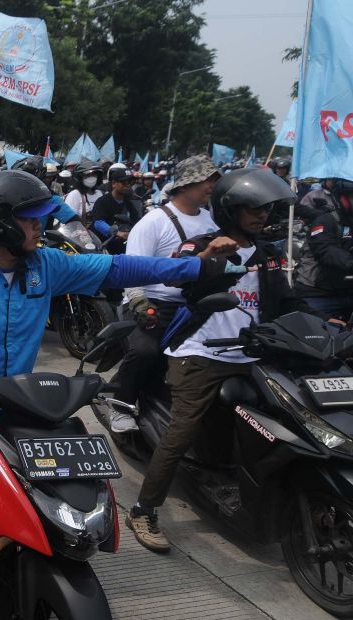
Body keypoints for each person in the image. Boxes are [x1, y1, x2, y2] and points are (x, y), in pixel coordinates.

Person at [0, 170, 241, 599]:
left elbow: (119, 267)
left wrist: (195, 268)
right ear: (1, 223)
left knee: (67, 447)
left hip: (17, 392)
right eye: (30, 220)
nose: (39, 227)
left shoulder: (48, 265)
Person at [128, 168, 319, 552]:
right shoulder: (201, 245)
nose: (260, 215)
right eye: (251, 208)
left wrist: (322, 322)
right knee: (180, 432)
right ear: (230, 209)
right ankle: (143, 509)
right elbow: (182, 281)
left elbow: (284, 300)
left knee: (292, 420)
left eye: (264, 209)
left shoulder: (268, 254)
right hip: (200, 353)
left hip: (251, 354)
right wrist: (209, 260)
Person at [108, 155, 224, 433]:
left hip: (195, 304)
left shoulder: (211, 222)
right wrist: (138, 301)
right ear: (186, 184)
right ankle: (120, 403)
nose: (211, 187)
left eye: (213, 181)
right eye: (206, 180)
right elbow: (131, 269)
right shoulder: (153, 222)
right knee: (145, 351)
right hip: (151, 302)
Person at [294, 179, 353, 320]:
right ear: (344, 199)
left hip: (348, 292)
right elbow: (326, 250)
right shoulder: (325, 221)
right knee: (312, 336)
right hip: (318, 294)